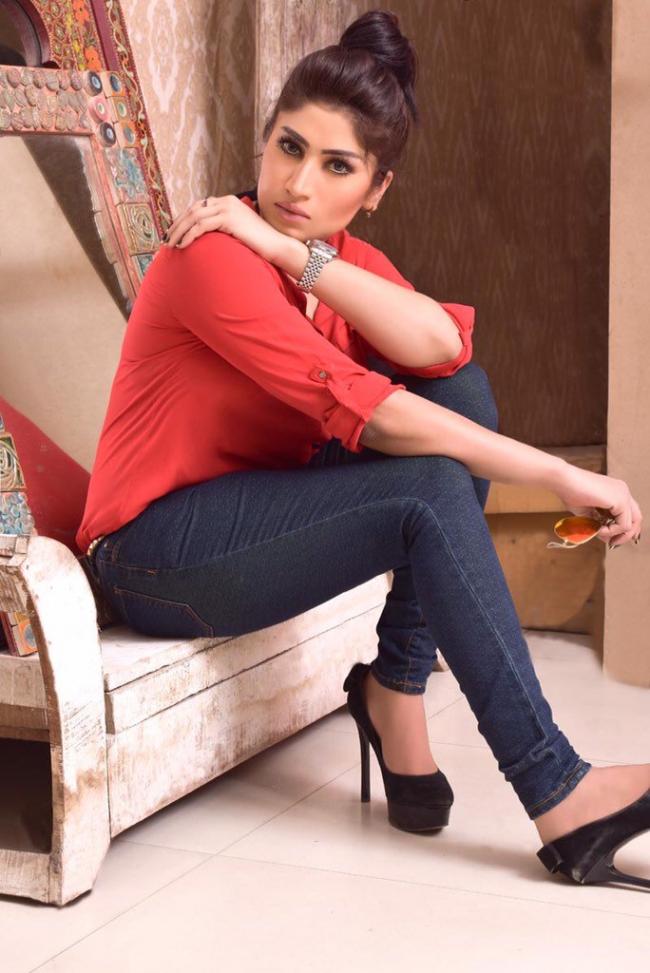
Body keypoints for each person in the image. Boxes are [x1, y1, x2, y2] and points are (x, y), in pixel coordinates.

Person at [76, 10, 648, 888]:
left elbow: (443, 350)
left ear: (376, 188)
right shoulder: (210, 259)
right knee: (426, 484)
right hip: (153, 552)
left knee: (461, 396)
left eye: (336, 166)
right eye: (288, 148)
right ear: (264, 141)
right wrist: (559, 473)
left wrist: (293, 252)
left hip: (262, 509)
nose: (297, 182)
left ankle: (395, 690)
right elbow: (371, 415)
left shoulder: (329, 260)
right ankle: (556, 787)